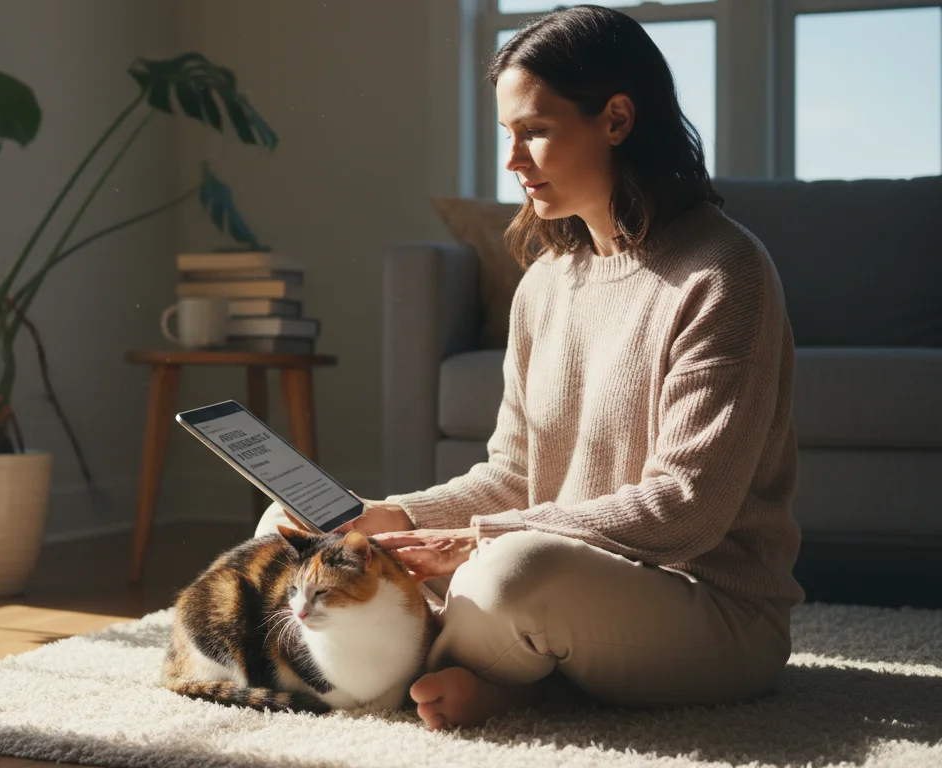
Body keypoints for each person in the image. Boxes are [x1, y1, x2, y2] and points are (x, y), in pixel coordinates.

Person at [256, 3, 803, 732]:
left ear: (616, 118)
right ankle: (500, 673)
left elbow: (687, 508)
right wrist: (394, 517)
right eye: (507, 135)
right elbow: (511, 475)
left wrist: (478, 541)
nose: (512, 161)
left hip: (709, 607)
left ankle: (467, 674)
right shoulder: (547, 282)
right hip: (561, 578)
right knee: (282, 529)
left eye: (534, 132)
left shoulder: (724, 271)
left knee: (505, 575)